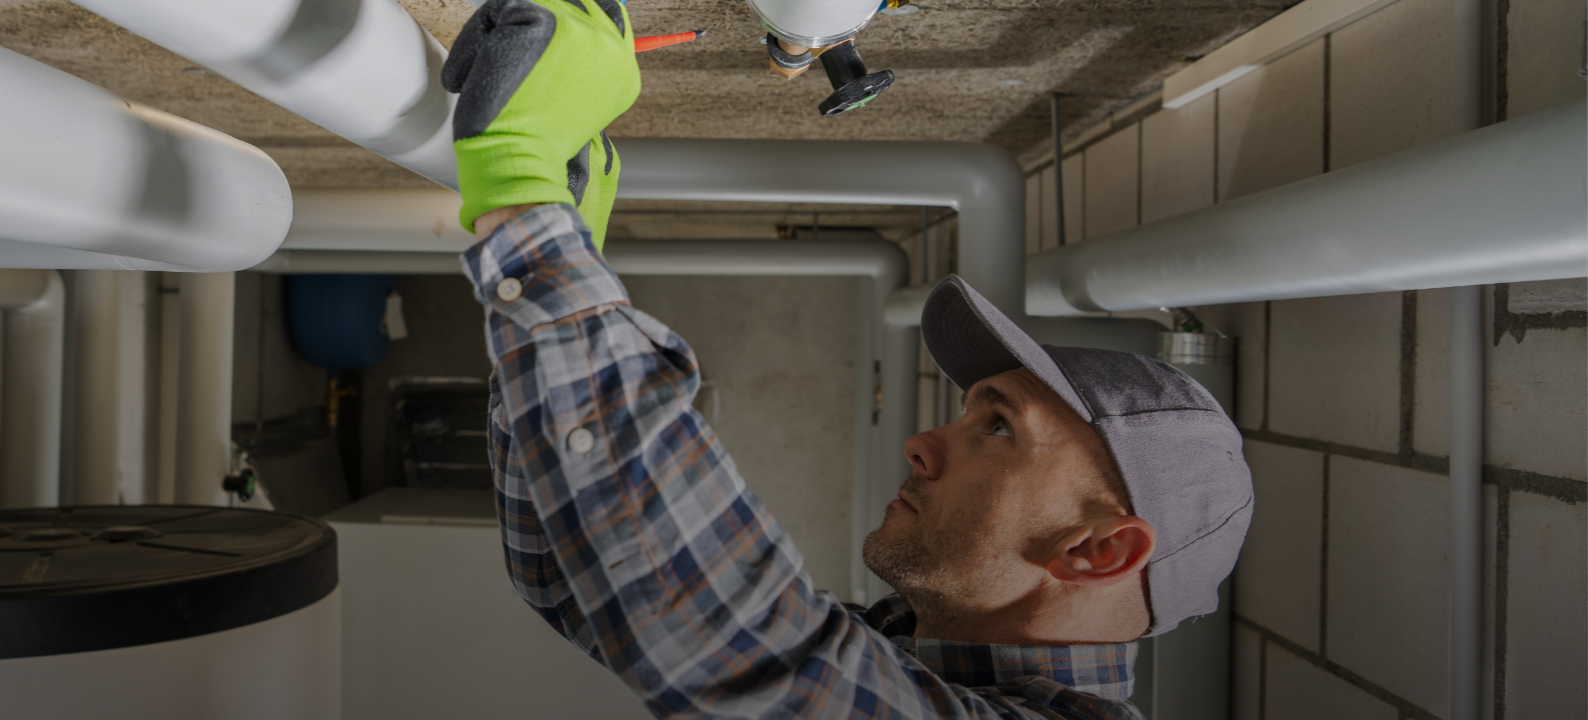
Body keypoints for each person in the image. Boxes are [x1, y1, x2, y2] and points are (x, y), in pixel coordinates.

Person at [439, 0, 1255, 716]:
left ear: (1097, 551)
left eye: (1000, 429)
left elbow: (754, 660)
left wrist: (525, 190)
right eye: (976, 417)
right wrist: (564, 233)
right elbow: (579, 585)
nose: (923, 443)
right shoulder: (911, 656)